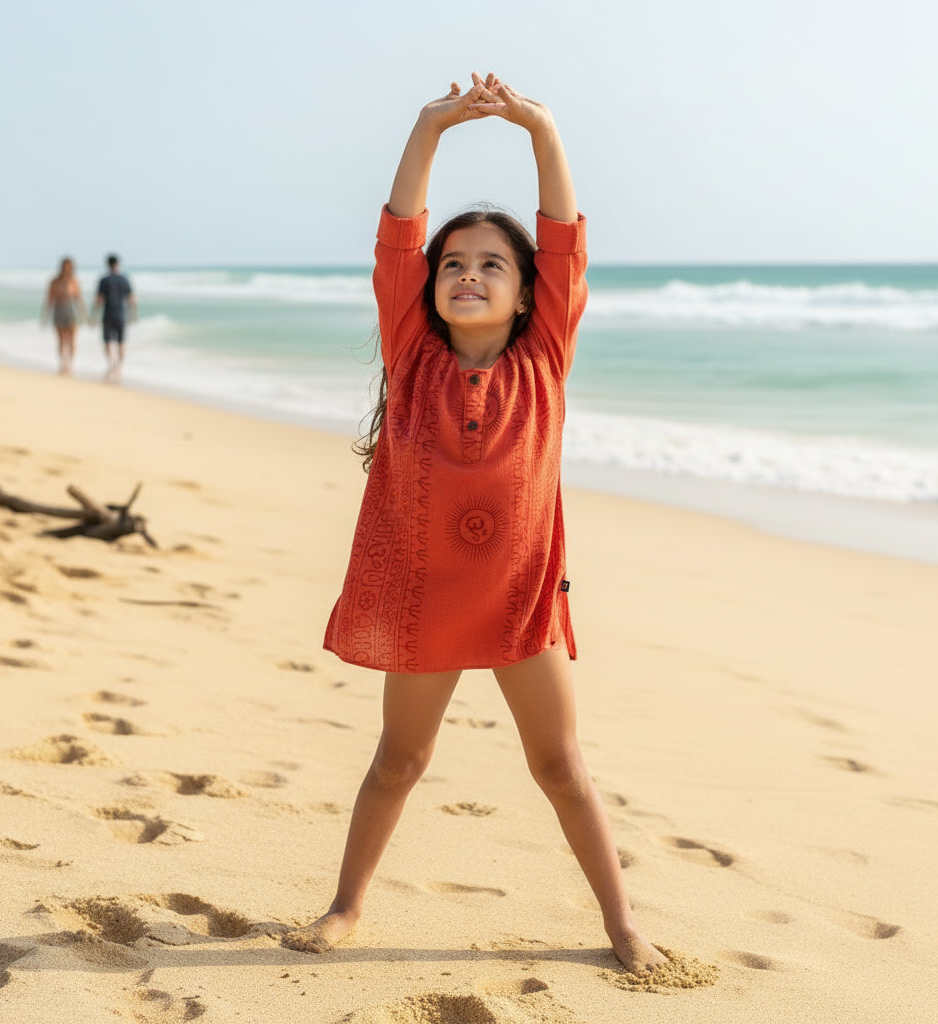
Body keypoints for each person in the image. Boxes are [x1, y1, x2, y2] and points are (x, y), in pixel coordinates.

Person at [283, 72, 668, 977]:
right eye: (453, 264)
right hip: (424, 599)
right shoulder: (411, 351)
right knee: (399, 760)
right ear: (429, 290)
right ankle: (346, 906)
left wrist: (541, 130)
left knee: (561, 769)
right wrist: (428, 129)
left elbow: (566, 243)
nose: (467, 274)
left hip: (519, 600)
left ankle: (620, 924)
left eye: (492, 264)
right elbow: (397, 238)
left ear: (528, 295)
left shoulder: (546, 356)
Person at [93, 253, 136, 382]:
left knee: (107, 342)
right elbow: (132, 299)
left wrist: (94, 316)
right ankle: (119, 366)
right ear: (118, 264)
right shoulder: (124, 279)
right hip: (120, 315)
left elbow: (99, 300)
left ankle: (111, 364)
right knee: (121, 342)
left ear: (107, 265)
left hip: (107, 315)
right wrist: (133, 315)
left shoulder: (104, 280)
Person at [42, 257, 87, 375]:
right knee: (61, 340)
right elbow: (49, 300)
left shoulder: (74, 281)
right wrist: (45, 317)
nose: (67, 269)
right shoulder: (55, 282)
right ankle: (63, 362)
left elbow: (79, 299)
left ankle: (70, 363)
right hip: (59, 310)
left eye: (69, 267)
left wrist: (85, 315)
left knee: (72, 339)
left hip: (72, 310)